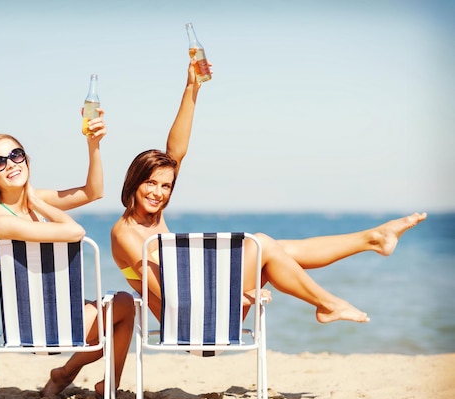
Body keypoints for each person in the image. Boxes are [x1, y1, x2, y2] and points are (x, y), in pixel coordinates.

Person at [111, 58, 427, 324]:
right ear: (133, 182)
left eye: (166, 186)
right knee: (261, 243)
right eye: (150, 183)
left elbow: (175, 152)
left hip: (213, 308)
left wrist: (192, 87)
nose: (159, 192)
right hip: (196, 325)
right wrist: (239, 294)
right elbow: (169, 294)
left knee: (277, 249)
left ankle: (372, 240)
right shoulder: (126, 233)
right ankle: (329, 302)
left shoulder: (153, 215)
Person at [0, 110, 134, 398]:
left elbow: (93, 192)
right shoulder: (0, 220)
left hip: (56, 314)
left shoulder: (30, 202)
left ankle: (65, 375)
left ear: (25, 159)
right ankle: (83, 378)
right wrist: (39, 203)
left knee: (120, 307)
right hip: (38, 325)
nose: (10, 164)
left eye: (16, 155)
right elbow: (75, 232)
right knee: (124, 306)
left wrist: (93, 144)